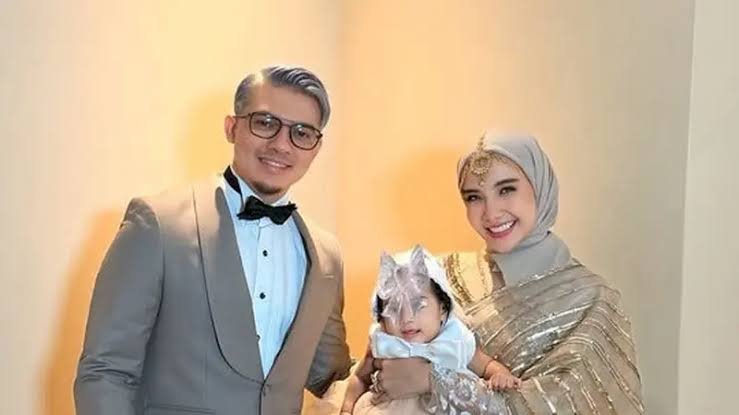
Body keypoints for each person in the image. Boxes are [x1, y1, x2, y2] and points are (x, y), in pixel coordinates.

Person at [74, 65, 352, 415]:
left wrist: (411, 361)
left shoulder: (326, 256)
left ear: (316, 147)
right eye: (266, 123)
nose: (282, 144)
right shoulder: (157, 224)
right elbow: (106, 371)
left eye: (302, 132)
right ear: (232, 127)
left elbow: (332, 375)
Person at [370, 133, 645, 414]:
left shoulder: (592, 299)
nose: (491, 213)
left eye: (506, 190)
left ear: (539, 187)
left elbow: (568, 403)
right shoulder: (442, 275)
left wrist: (436, 382)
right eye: (474, 197)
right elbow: (381, 357)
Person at [340, 245, 520, 415]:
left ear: (442, 309)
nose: (407, 319)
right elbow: (359, 378)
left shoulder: (454, 339)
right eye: (393, 309)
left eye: (419, 306)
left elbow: (486, 365)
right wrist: (346, 409)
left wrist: (500, 375)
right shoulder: (382, 343)